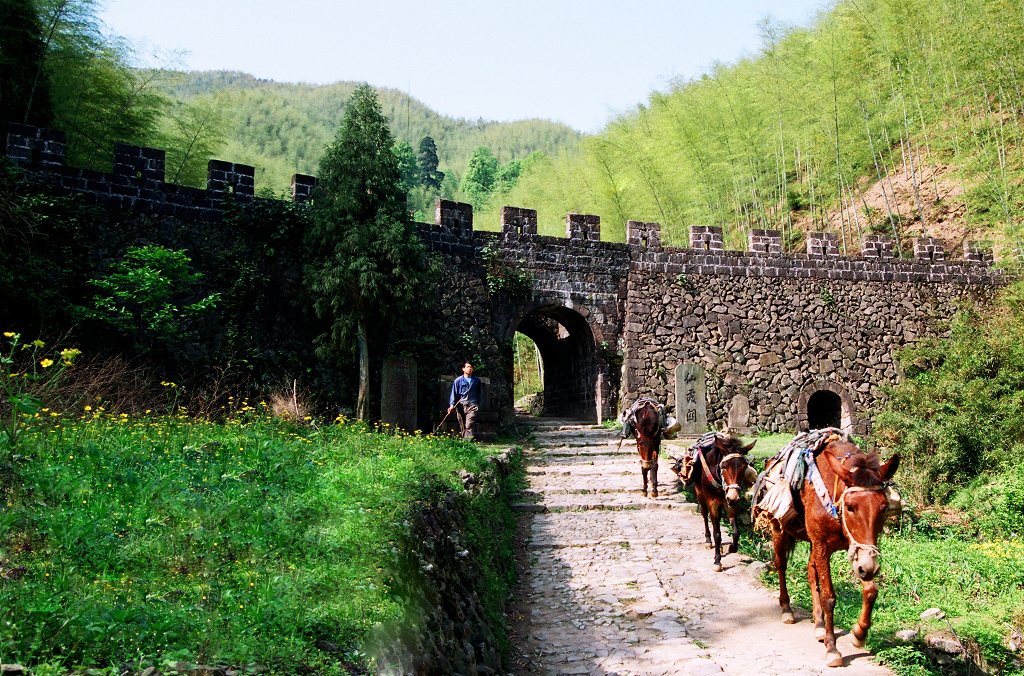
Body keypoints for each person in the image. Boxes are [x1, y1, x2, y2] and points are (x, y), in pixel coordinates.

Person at [448, 361, 481, 440]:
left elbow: (479, 393)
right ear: (463, 369)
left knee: (469, 424)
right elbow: (454, 394)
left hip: (472, 405)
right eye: (468, 367)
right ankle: (465, 443)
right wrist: (452, 405)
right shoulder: (458, 381)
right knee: (462, 425)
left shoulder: (476, 381)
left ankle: (467, 442)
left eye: (471, 367)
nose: (470, 368)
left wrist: (477, 403)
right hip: (461, 405)